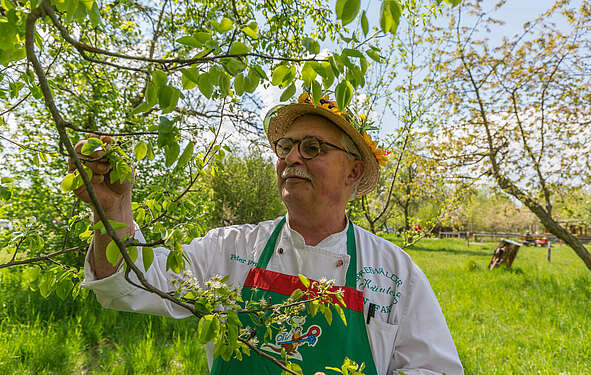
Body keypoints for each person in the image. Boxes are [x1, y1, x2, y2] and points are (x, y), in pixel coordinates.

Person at [77, 93, 463, 375]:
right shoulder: (230, 250)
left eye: (312, 147)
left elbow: (435, 370)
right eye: (285, 146)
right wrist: (112, 212)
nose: (292, 157)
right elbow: (133, 285)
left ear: (354, 172)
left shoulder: (395, 273)